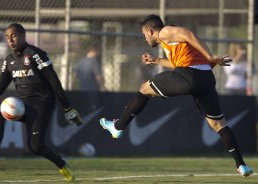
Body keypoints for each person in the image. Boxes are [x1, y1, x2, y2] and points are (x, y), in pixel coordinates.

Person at [99, 14, 253, 177]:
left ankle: (118, 127)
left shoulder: (165, 31)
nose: (145, 39)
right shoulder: (174, 45)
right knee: (218, 125)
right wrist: (156, 60)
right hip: (206, 79)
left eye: (144, 35)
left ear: (150, 31)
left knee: (144, 89)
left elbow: (189, 34)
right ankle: (241, 165)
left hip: (188, 75)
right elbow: (177, 63)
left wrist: (210, 56)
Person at [0, 23, 83, 182]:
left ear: (23, 36)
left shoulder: (34, 54)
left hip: (42, 104)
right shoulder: (9, 60)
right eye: (7, 37)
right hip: (23, 104)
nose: (10, 40)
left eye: (14, 36)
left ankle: (61, 164)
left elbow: (54, 81)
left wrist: (67, 107)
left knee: (35, 147)